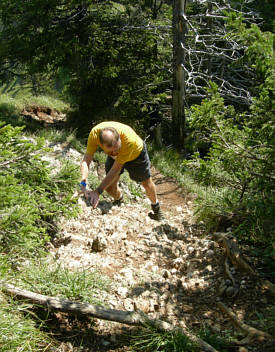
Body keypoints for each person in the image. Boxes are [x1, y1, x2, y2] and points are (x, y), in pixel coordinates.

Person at [79, 121, 164, 220]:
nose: (115, 152)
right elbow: (87, 159)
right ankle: (120, 200)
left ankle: (156, 208)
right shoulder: (94, 135)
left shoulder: (128, 140)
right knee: (109, 188)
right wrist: (83, 182)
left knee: (146, 183)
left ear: (120, 138)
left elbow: (115, 169)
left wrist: (97, 192)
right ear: (101, 144)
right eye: (111, 151)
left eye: (116, 148)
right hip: (117, 157)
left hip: (136, 154)